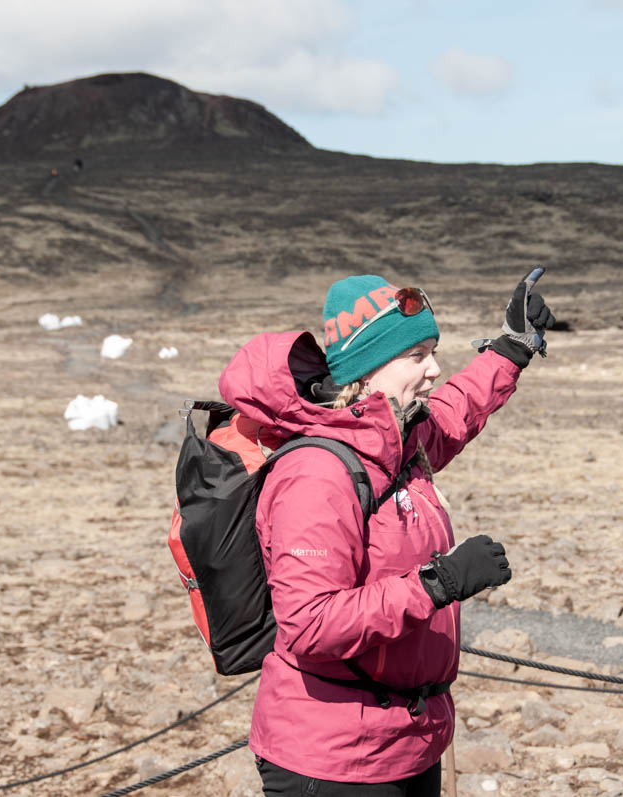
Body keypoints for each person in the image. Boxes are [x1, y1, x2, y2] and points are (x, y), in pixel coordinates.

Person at [217, 269, 562, 796]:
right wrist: (438, 583)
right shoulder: (316, 473)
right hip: (332, 762)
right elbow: (310, 626)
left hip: (406, 740)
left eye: (433, 351)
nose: (435, 370)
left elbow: (455, 410)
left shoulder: (396, 440)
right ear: (367, 367)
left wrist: (511, 348)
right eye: (417, 356)